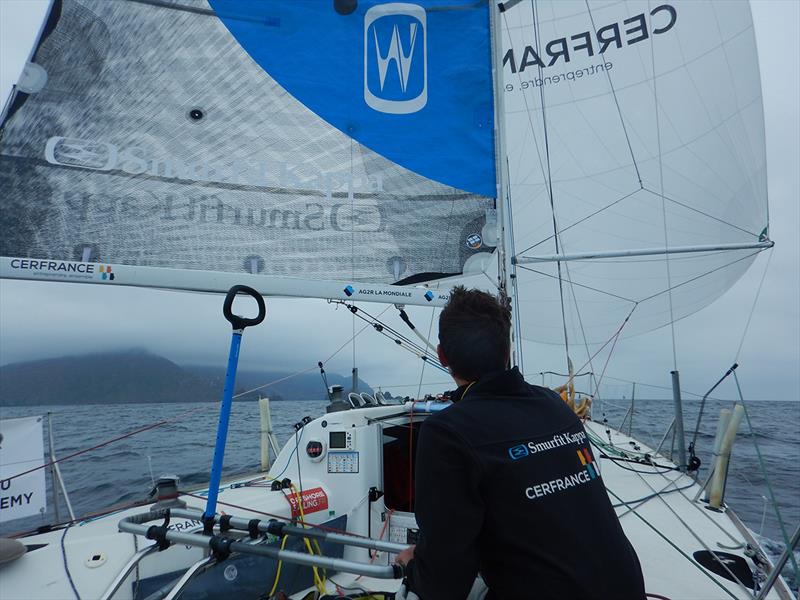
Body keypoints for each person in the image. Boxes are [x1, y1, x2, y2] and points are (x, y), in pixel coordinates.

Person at [394, 287, 646, 600]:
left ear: (443, 355)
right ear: (507, 351)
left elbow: (445, 580)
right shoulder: (553, 404)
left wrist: (414, 569)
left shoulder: (447, 432)